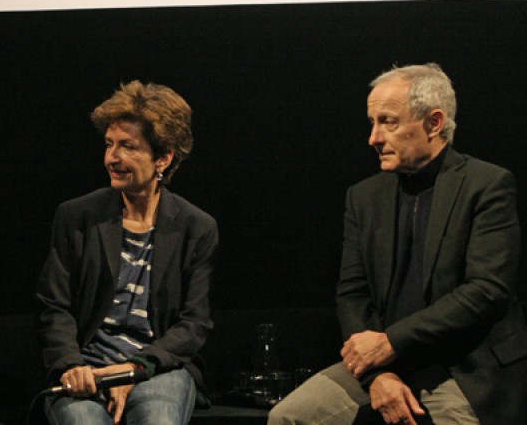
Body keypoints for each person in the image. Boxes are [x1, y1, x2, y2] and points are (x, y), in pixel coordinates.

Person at [268, 63, 527, 424]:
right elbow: (353, 294)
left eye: (388, 121)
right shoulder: (364, 196)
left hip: (463, 366)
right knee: (289, 417)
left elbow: (486, 291)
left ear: (434, 123)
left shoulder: (487, 185)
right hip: (387, 362)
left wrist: (392, 342)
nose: (373, 137)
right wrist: (377, 373)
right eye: (372, 122)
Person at [36, 81, 219, 425]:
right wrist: (71, 364)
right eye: (109, 145)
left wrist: (136, 369)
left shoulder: (197, 227)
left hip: (158, 369)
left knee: (159, 419)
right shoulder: (76, 217)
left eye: (128, 147)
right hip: (88, 366)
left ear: (163, 158)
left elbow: (194, 323)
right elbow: (53, 306)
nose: (112, 158)